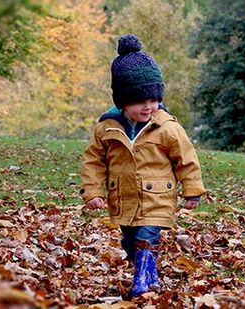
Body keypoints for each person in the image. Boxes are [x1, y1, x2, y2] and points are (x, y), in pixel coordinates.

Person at [79, 34, 205, 297]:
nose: (148, 106)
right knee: (129, 242)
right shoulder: (107, 128)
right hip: (123, 199)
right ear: (123, 101)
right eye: (140, 101)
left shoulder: (167, 128)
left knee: (146, 238)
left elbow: (186, 158)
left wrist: (192, 189)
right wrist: (93, 192)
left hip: (157, 197)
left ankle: (141, 284)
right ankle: (148, 274)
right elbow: (94, 161)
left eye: (153, 99)